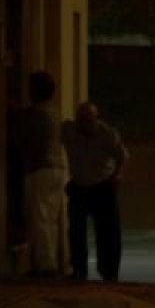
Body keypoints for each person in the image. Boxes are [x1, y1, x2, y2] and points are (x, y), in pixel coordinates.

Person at [62, 102, 128, 282]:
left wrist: (117, 175)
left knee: (108, 232)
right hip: (79, 185)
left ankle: (109, 271)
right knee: (76, 231)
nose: (84, 126)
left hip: (102, 185)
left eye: (88, 121)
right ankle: (79, 269)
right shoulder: (69, 130)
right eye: (81, 121)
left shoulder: (107, 134)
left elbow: (122, 156)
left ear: (95, 119)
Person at [15, 71, 69, 277]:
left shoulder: (33, 114)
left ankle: (46, 265)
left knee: (41, 218)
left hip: (39, 167)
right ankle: (58, 261)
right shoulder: (55, 112)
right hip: (58, 167)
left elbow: (22, 137)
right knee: (54, 218)